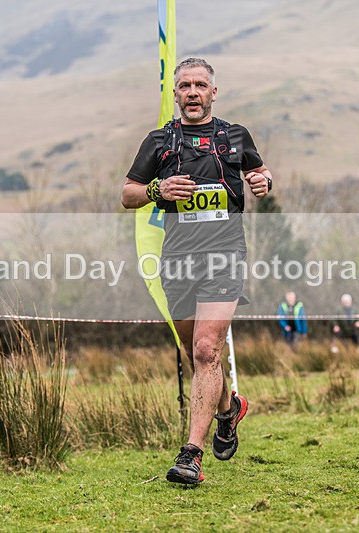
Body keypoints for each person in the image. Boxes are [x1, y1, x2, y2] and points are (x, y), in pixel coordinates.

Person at [121, 57, 273, 485]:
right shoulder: (158, 142)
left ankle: (191, 455)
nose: (192, 92)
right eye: (184, 85)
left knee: (208, 350)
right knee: (196, 354)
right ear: (175, 94)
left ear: (213, 92)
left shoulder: (235, 135)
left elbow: (258, 172)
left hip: (224, 254)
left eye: (200, 85)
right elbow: (127, 194)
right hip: (178, 259)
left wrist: (264, 181)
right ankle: (229, 409)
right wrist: (157, 188)